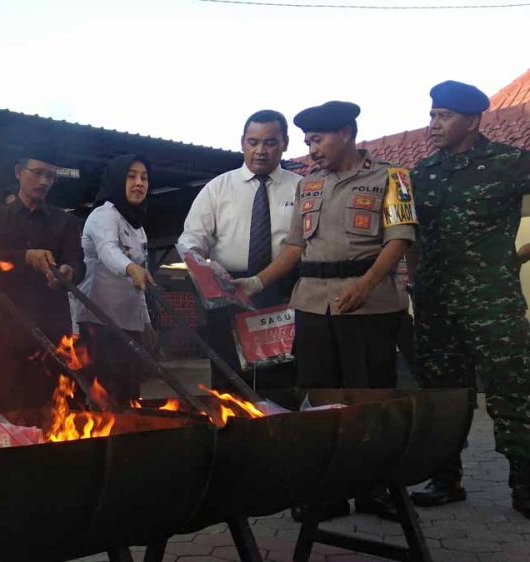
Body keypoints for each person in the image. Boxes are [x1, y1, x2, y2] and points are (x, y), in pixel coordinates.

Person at [242, 101, 416, 521]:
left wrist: (366, 284)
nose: (310, 149)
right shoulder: (309, 185)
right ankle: (327, 492)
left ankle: (374, 490)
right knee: (320, 401)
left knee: (370, 400)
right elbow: (295, 248)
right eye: (306, 141)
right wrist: (254, 283)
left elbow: (399, 239)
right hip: (313, 304)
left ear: (346, 134)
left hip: (369, 307)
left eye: (317, 140)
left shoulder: (393, 178)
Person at [407, 80, 530, 518]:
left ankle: (525, 479)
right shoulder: (422, 174)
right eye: (432, 114)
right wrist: (417, 278)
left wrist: (516, 256)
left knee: (512, 388)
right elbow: (410, 235)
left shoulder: (511, 162)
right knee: (443, 393)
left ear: (473, 121)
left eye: (444, 116)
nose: (433, 124)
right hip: (436, 302)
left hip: (492, 302)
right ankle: (446, 477)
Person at [177, 110, 300, 389]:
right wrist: (205, 273)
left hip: (283, 292)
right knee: (229, 382)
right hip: (228, 293)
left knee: (280, 380)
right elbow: (190, 241)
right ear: (242, 142)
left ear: (285, 143)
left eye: (270, 142)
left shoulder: (301, 189)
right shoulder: (217, 189)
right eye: (253, 142)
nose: (260, 151)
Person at [0, 148, 85, 411]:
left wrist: (69, 272)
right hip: (2, 328)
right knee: (1, 407)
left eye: (50, 176)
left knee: (50, 407)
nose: (44, 182)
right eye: (38, 173)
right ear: (18, 172)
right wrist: (25, 256)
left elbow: (79, 264)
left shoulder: (65, 222)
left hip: (49, 330)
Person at [73, 154, 155, 405]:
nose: (139, 183)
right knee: (104, 402)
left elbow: (139, 283)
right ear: (117, 180)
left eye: (144, 178)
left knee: (129, 398)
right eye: (131, 177)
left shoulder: (137, 226)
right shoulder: (103, 215)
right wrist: (130, 268)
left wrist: (147, 323)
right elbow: (109, 250)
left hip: (129, 327)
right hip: (98, 325)